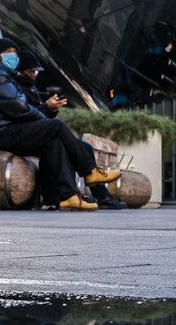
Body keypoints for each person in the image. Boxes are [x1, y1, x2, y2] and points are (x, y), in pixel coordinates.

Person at [0, 39, 119, 210]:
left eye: (16, 52)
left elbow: (19, 107)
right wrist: (44, 117)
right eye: (10, 52)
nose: (14, 56)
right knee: (55, 126)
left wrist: (43, 116)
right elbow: (20, 108)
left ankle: (64, 196)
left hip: (0, 131)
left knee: (53, 142)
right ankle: (90, 172)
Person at [16, 49, 124, 208]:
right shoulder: (18, 88)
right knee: (65, 142)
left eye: (36, 71)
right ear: (21, 71)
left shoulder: (29, 87)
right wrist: (46, 107)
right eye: (31, 71)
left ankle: (97, 192)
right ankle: (88, 186)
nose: (34, 75)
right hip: (29, 134)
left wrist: (50, 109)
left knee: (84, 147)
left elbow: (37, 114)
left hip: (38, 130)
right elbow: (28, 113)